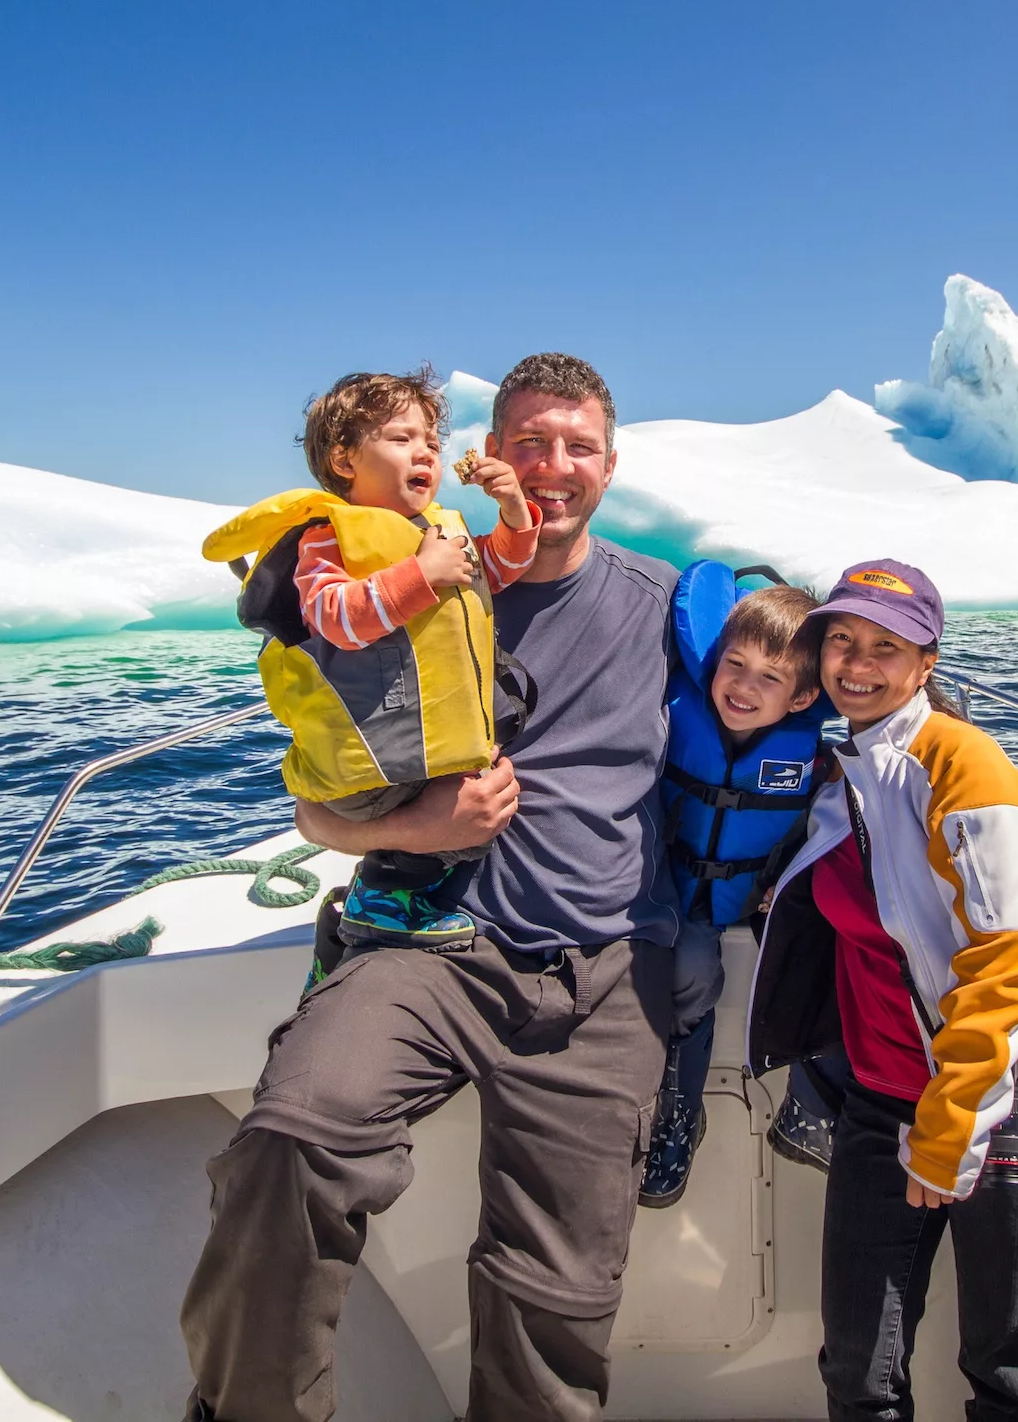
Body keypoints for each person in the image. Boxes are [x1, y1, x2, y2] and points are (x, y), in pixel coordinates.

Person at [179, 354, 681, 1422]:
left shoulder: (666, 609)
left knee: (558, 1289)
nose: (552, 467)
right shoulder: (402, 584)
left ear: (610, 465)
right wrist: (422, 828)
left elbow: (807, 687)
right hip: (426, 942)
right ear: (489, 457)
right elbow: (316, 811)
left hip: (601, 973)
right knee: (288, 1146)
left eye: (577, 447)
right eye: (528, 444)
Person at [743, 558, 1018, 1421]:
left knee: (1007, 1377)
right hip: (881, 1101)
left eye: (886, 647)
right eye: (841, 640)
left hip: (1004, 1099)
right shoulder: (844, 770)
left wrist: (952, 1124)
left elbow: (1005, 958)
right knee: (857, 1373)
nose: (858, 664)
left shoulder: (962, 764)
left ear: (926, 663)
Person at [200, 367, 539, 953]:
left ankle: (401, 896)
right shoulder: (329, 536)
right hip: (375, 768)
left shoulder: (439, 532)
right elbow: (335, 616)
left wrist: (513, 508)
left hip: (417, 752)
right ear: (344, 459)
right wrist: (421, 575)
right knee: (467, 820)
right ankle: (379, 901)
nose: (425, 452)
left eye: (431, 442)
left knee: (482, 805)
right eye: (401, 438)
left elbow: (501, 568)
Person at [641, 566, 830, 1206]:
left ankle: (813, 1104)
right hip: (675, 889)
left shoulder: (816, 755)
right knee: (689, 975)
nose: (744, 687)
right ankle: (681, 1111)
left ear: (802, 698)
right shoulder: (673, 714)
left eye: (770, 678)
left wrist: (791, 879)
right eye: (735, 664)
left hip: (763, 891)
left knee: (831, 957)